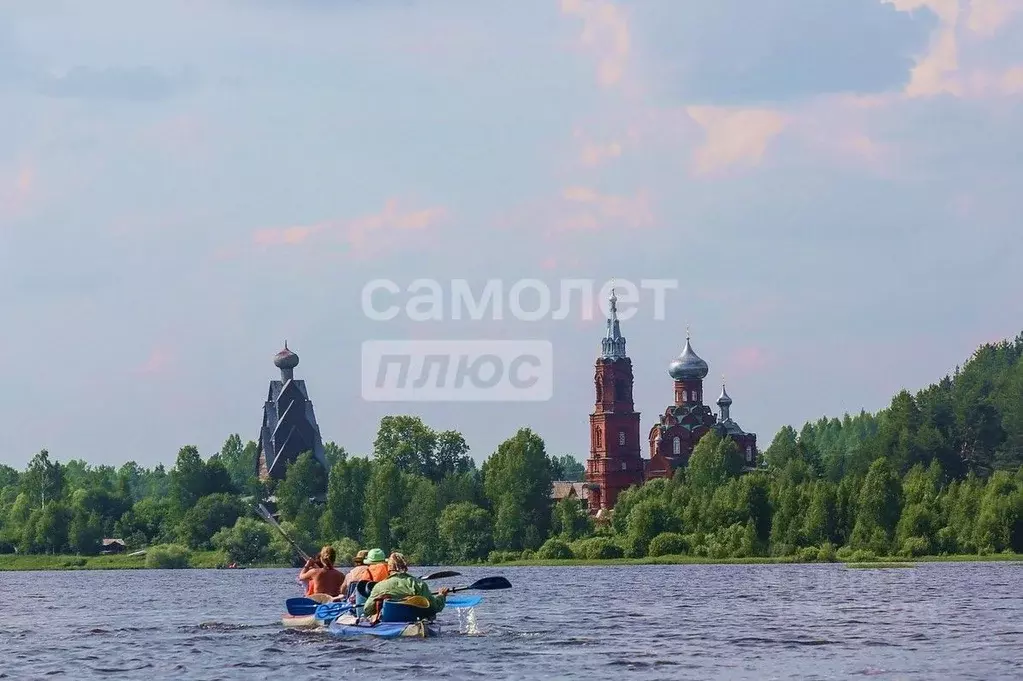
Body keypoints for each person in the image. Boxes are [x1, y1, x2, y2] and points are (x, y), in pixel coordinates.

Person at [361, 552, 449, 620]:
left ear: (389, 568)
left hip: (387, 622)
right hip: (413, 622)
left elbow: (367, 609)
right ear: (405, 566)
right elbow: (434, 608)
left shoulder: (379, 586)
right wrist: (441, 596)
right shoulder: (419, 584)